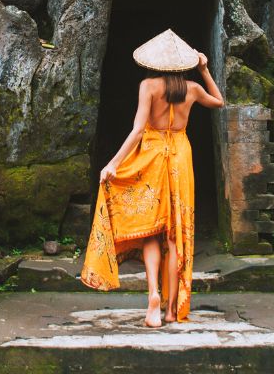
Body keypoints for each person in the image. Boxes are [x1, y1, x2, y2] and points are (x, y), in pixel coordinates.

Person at [80, 29, 224, 327]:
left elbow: (137, 130)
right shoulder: (193, 88)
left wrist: (113, 163)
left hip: (153, 155)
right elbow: (219, 102)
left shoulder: (148, 86)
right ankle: (172, 310)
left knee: (151, 231)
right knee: (174, 236)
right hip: (181, 157)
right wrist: (205, 68)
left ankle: (153, 298)